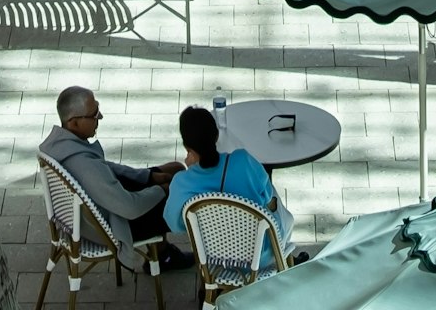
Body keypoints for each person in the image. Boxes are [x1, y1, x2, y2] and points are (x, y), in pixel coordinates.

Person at [40, 88, 178, 251]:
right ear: (74, 122)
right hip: (112, 227)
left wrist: (148, 176)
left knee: (174, 169)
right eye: (94, 114)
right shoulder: (85, 165)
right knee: (179, 194)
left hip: (101, 209)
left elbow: (106, 167)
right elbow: (130, 208)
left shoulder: (59, 145)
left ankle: (163, 253)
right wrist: (164, 190)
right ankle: (171, 255)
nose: (100, 117)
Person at [161, 105, 278, 239]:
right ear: (216, 136)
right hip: (260, 253)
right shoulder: (244, 161)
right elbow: (267, 195)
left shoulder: (181, 183)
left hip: (212, 256)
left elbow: (175, 225)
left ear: (186, 147)